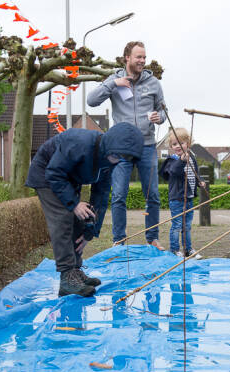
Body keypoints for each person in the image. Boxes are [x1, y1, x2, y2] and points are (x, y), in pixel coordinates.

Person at [25, 122, 144, 297]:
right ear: (110, 145)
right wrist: (74, 204)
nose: (119, 160)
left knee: (82, 217)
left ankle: (75, 270)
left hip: (68, 179)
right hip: (47, 175)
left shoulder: (110, 160)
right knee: (63, 218)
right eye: (118, 155)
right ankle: (67, 276)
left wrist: (90, 231)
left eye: (125, 158)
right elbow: (54, 173)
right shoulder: (79, 143)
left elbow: (101, 194)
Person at [87, 40, 166, 250]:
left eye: (144, 57)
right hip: (121, 148)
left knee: (153, 195)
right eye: (138, 57)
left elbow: (163, 110)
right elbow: (91, 101)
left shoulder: (153, 83)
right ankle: (119, 240)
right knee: (119, 195)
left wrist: (160, 117)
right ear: (127, 58)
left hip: (147, 145)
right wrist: (114, 84)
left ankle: (152, 238)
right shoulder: (115, 79)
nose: (142, 60)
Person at [159, 128, 205, 258]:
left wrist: (200, 181)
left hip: (189, 199)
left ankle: (188, 249)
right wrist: (181, 161)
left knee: (187, 226)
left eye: (181, 143)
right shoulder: (172, 160)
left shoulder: (192, 158)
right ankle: (174, 250)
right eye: (174, 144)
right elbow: (173, 172)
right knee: (177, 226)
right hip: (177, 199)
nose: (178, 146)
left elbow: (195, 173)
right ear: (171, 146)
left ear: (188, 143)